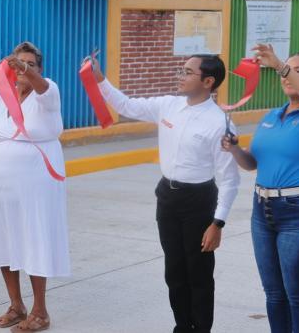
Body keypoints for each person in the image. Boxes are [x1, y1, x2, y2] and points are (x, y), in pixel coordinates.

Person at [90, 54, 240, 333]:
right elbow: (126, 105)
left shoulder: (220, 123)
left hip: (199, 201)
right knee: (174, 271)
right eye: (181, 70)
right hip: (168, 197)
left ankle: (201, 329)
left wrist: (217, 223)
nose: (180, 76)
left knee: (199, 273)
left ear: (208, 81)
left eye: (188, 72)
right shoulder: (168, 105)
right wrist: (100, 80)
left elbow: (230, 178)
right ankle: (182, 326)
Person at [222, 46, 299, 333]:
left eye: (298, 71)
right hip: (263, 210)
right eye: (286, 72)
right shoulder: (272, 115)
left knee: (298, 294)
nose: (287, 76)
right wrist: (234, 150)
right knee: (273, 293)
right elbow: (252, 164)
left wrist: (281, 65)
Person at [0, 42, 68, 332]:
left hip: (36, 185)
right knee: (4, 241)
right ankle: (16, 305)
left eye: (30, 64)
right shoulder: (2, 97)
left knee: (34, 240)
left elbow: (42, 87)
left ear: (40, 69)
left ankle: (40, 312)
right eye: (18, 63)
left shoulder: (48, 91)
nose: (23, 68)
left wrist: (24, 68)